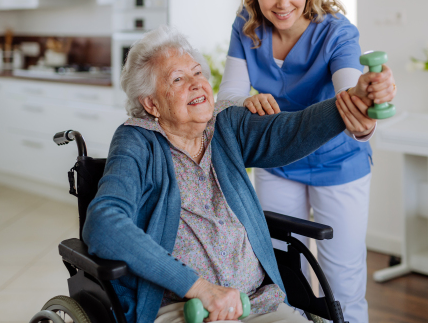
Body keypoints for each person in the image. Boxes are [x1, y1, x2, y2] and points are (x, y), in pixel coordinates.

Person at [82, 25, 376, 323]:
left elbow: (292, 131)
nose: (197, 84)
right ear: (151, 104)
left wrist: (352, 100)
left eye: (198, 73)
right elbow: (104, 223)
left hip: (259, 304)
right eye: (178, 79)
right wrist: (199, 288)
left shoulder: (225, 124)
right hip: (184, 309)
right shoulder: (137, 141)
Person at [217, 0, 397, 323]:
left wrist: (365, 100)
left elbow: (349, 93)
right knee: (285, 278)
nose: (282, 4)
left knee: (342, 283)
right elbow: (228, 98)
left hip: (339, 165)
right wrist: (245, 102)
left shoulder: (337, 32)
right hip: (278, 163)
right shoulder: (246, 27)